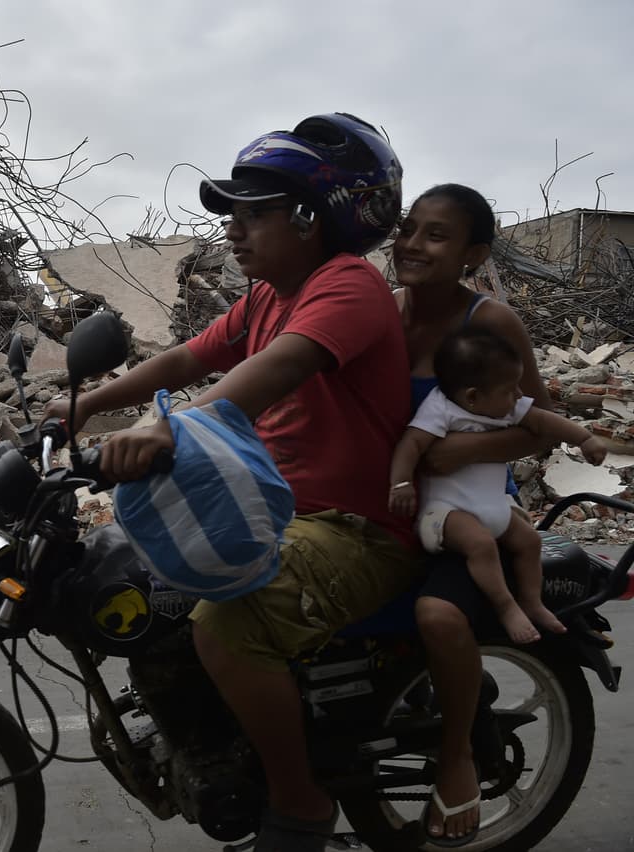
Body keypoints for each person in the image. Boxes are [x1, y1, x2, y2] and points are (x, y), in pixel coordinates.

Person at [47, 112, 418, 851]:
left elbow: (271, 371)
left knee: (225, 624)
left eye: (255, 215)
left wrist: (166, 428)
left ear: (312, 219)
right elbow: (186, 360)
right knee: (135, 583)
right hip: (274, 511)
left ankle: (299, 802)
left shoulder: (345, 287)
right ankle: (210, 741)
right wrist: (77, 408)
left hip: (354, 529)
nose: (233, 231)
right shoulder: (265, 296)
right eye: (233, 216)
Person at [393, 183, 562, 845]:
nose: (412, 244)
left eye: (436, 235)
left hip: (470, 510)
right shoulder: (380, 314)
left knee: (439, 615)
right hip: (395, 503)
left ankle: (458, 754)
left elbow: (541, 426)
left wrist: (457, 452)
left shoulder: (489, 324)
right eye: (409, 228)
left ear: (474, 254)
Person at [389, 326, 606, 643]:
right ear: (473, 397)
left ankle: (531, 601)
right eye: (510, 389)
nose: (519, 395)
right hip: (446, 512)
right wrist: (401, 484)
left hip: (495, 505)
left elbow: (544, 420)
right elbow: (411, 445)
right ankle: (505, 606)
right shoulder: (440, 409)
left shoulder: (503, 404)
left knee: (530, 542)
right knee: (481, 546)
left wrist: (584, 439)